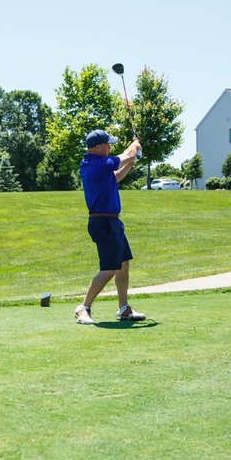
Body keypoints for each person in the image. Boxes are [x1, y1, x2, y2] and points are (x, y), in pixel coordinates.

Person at [75, 129, 146, 325]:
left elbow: (116, 176)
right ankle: (83, 307)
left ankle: (123, 308)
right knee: (109, 268)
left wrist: (131, 162)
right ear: (98, 147)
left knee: (123, 264)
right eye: (108, 144)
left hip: (113, 221)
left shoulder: (101, 166)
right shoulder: (93, 163)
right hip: (102, 222)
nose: (110, 147)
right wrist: (134, 146)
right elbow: (124, 156)